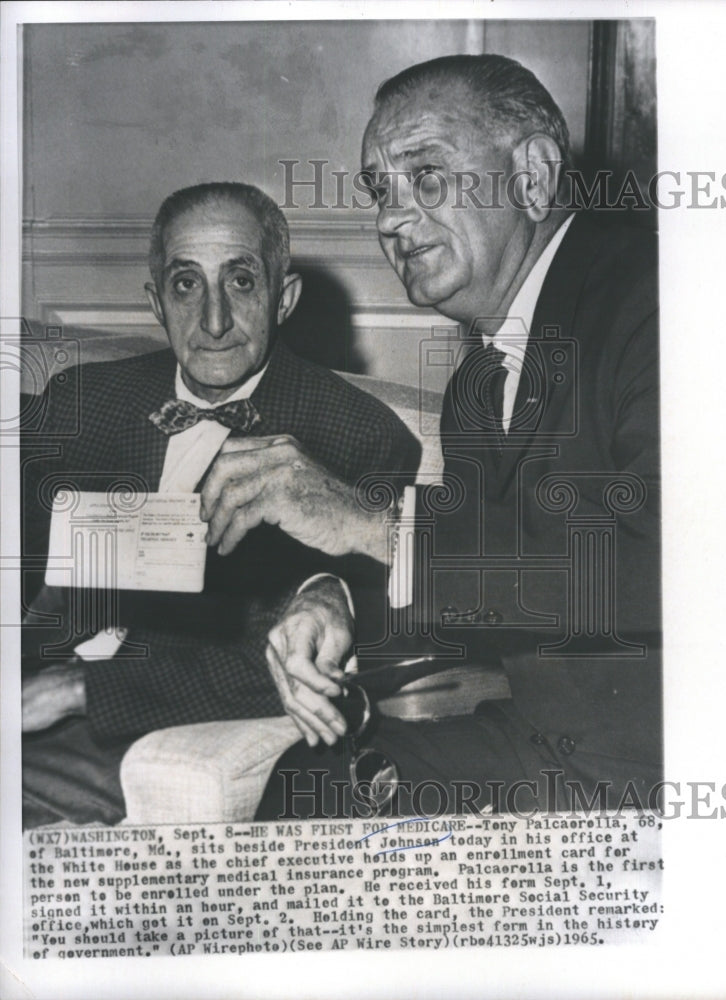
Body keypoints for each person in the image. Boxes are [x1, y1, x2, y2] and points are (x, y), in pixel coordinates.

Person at [201, 55, 662, 818]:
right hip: (551, 752)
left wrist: (369, 524)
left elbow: (666, 565)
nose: (388, 218)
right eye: (380, 190)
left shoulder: (660, 295)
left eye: (426, 175)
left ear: (534, 175)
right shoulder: (479, 381)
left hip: (672, 770)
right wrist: (337, 607)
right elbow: (487, 585)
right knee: (309, 789)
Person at [20, 181, 420, 827]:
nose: (212, 322)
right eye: (185, 285)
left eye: (239, 282)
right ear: (156, 301)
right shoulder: (81, 400)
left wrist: (74, 691)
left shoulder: (358, 435)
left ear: (282, 298)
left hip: (140, 721)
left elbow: (295, 659)